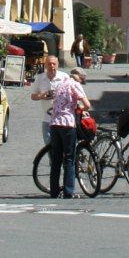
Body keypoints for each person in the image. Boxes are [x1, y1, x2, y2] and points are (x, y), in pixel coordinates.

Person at [45, 61, 91, 198]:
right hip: (67, 124)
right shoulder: (75, 85)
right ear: (80, 78)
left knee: (56, 159)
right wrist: (80, 109)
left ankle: (54, 191)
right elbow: (87, 105)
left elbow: (56, 102)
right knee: (70, 158)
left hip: (54, 124)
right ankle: (68, 191)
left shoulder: (59, 84)